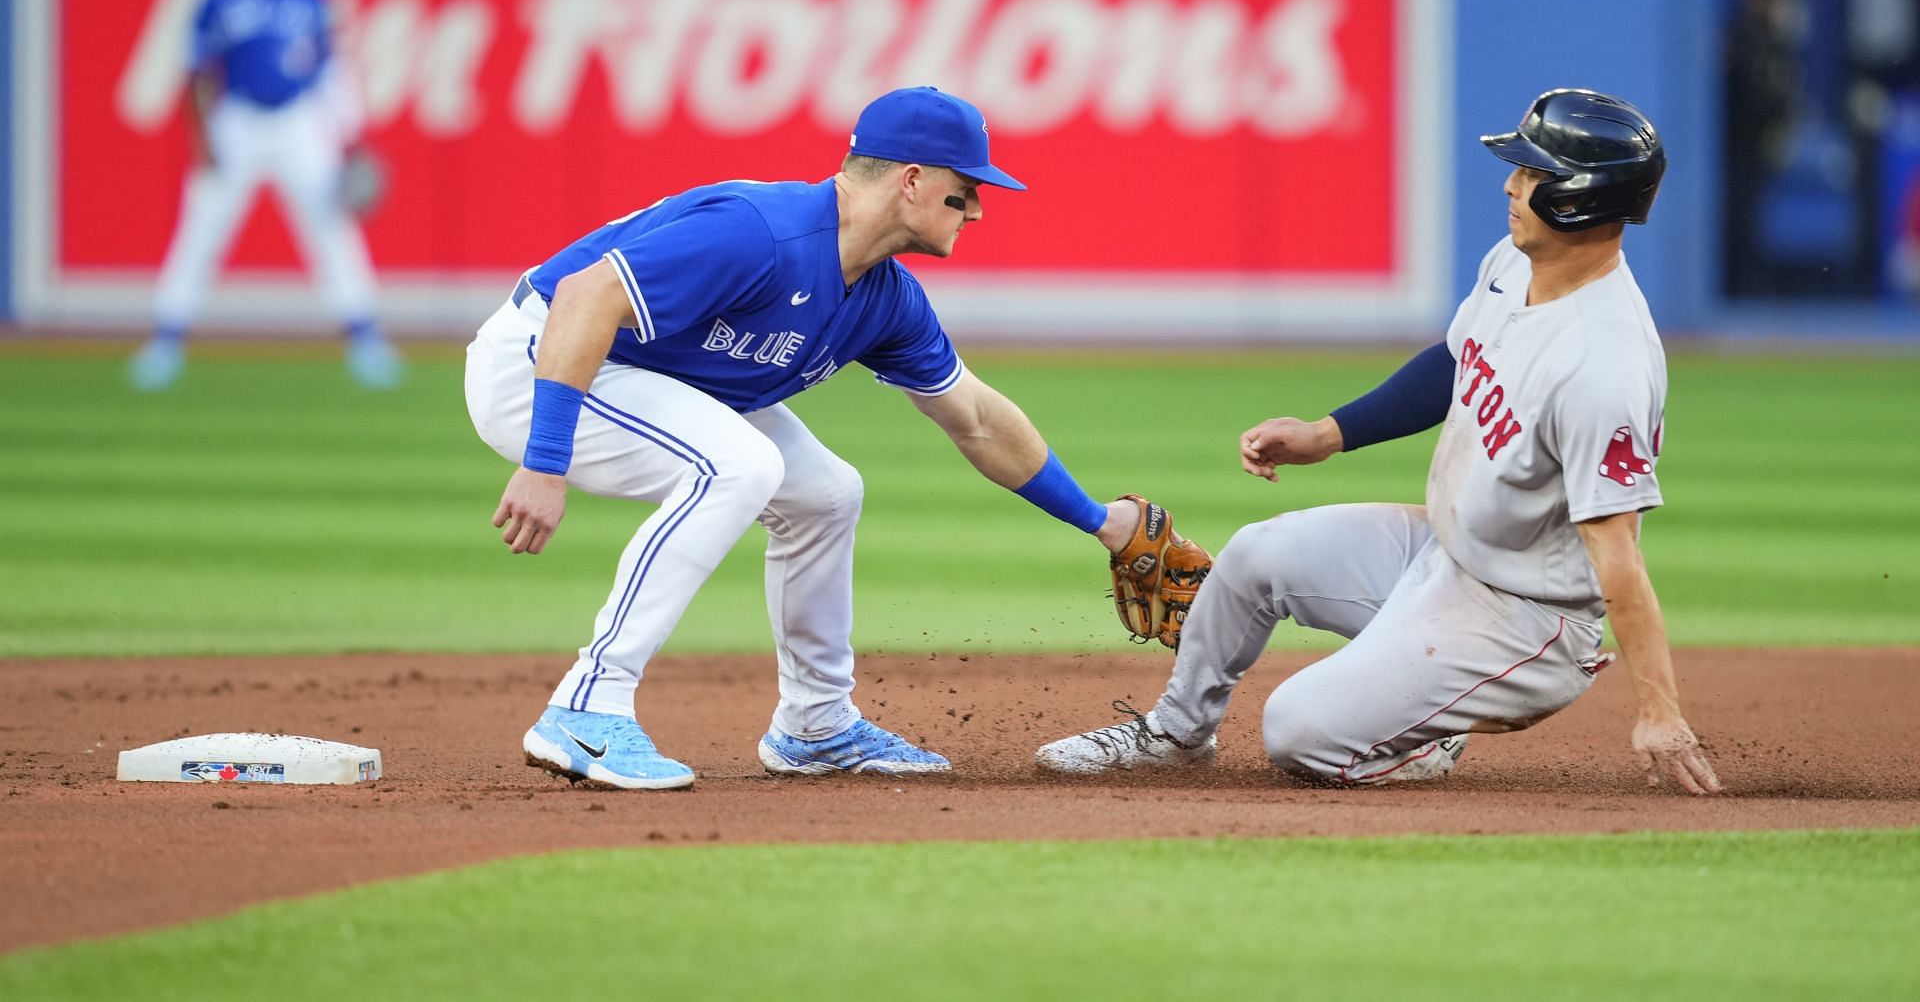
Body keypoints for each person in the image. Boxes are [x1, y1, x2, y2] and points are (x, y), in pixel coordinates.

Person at [1037, 88, 1723, 796]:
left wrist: (1661, 711)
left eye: (1534, 173)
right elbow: (1457, 362)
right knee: (1253, 556)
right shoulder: (1519, 261)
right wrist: (1326, 435)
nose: (1512, 184)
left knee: (1297, 733)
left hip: (1526, 618)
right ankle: (1176, 735)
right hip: (1443, 555)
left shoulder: (1601, 365)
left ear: (1582, 198)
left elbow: (1619, 551)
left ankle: (1422, 732)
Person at [467, 86, 1152, 790]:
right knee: (737, 464)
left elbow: (974, 417)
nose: (977, 209)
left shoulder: (887, 298)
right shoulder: (762, 230)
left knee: (826, 494)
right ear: (911, 181)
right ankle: (587, 706)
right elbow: (585, 297)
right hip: (538, 362)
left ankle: (815, 726)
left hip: (643, 370)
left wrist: (1103, 524)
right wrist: (545, 461)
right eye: (964, 190)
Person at [128, 0, 401, 391]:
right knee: (203, 226)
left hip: (295, 121)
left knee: (330, 227)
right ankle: (166, 339)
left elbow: (329, 72)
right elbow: (196, 72)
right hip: (237, 120)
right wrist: (203, 138)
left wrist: (349, 135)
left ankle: (364, 337)